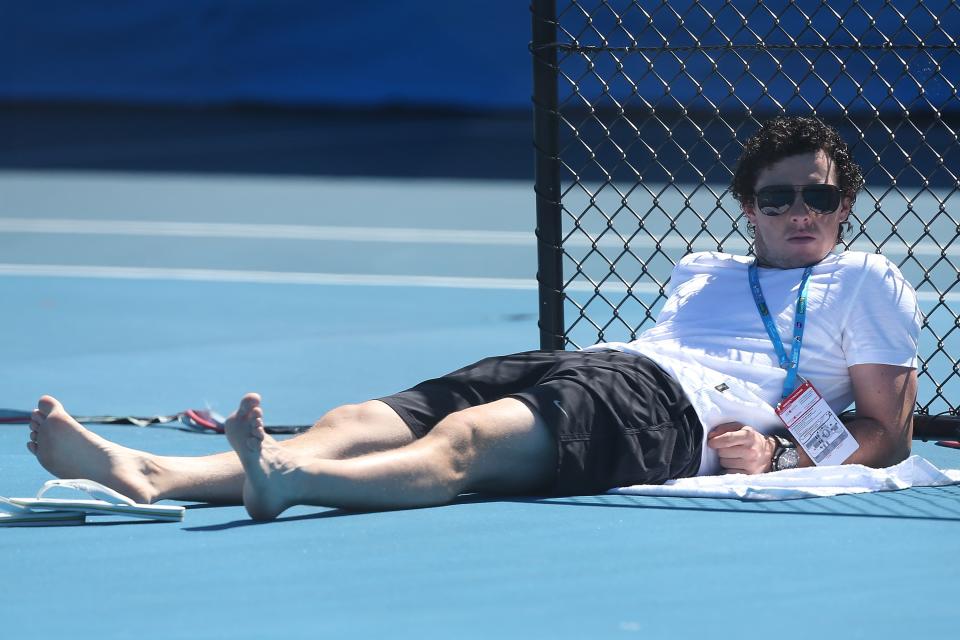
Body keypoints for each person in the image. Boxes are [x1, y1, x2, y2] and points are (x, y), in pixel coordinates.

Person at [26, 116, 922, 520]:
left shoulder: (867, 278)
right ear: (748, 206)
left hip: (675, 413)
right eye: (779, 197)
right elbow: (648, 352)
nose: (800, 211)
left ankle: (289, 482)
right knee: (360, 418)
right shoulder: (702, 271)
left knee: (467, 442)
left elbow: (887, 432)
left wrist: (783, 452)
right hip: (606, 365)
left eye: (819, 195)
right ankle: (151, 472)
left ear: (844, 205)